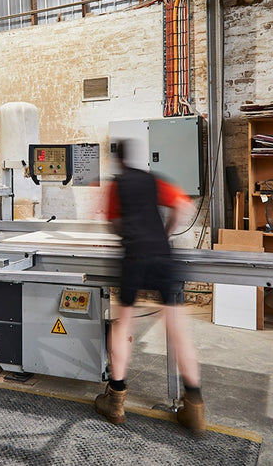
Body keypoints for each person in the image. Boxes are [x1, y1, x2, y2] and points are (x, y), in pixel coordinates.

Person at [94, 139, 205, 433]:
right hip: (162, 256)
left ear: (117, 160)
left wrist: (127, 235)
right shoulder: (154, 180)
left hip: (134, 257)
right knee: (177, 328)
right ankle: (194, 406)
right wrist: (165, 232)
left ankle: (115, 400)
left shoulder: (117, 185)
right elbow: (183, 203)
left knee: (124, 324)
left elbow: (111, 223)